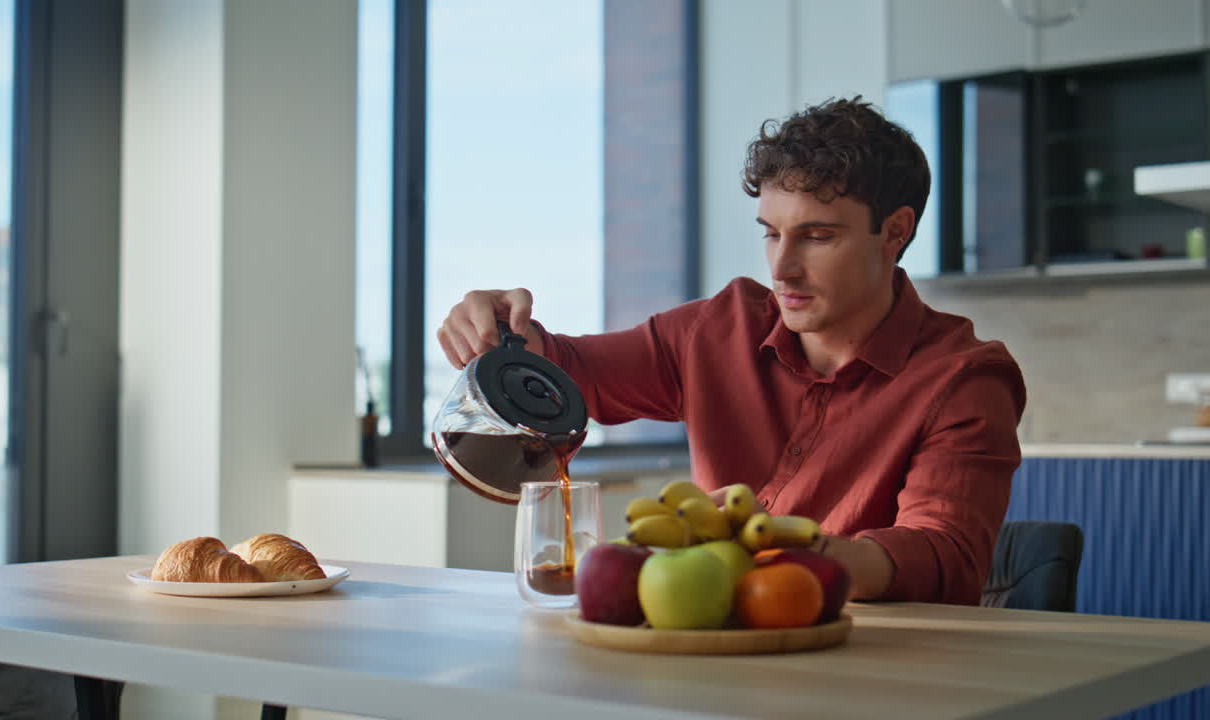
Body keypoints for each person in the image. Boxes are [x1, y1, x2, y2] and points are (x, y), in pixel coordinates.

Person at [436, 97, 1026, 606]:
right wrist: (504, 335)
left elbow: (943, 555)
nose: (782, 268)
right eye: (771, 232)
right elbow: (571, 373)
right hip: (715, 648)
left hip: (878, 665)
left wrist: (774, 544)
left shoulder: (964, 378)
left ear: (894, 231)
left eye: (818, 236)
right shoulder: (718, 330)